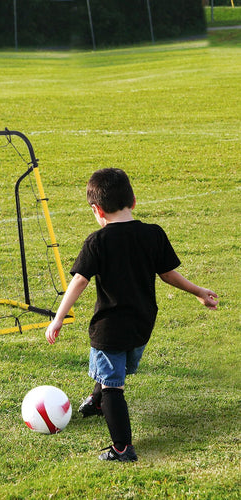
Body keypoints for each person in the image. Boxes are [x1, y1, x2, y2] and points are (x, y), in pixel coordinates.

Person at [45, 168, 218, 462]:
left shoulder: (97, 241)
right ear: (134, 201)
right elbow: (167, 274)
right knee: (112, 368)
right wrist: (198, 290)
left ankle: (122, 448)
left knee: (114, 384)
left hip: (110, 328)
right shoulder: (152, 234)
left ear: (96, 209)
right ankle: (97, 403)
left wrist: (58, 317)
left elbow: (80, 280)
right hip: (142, 324)